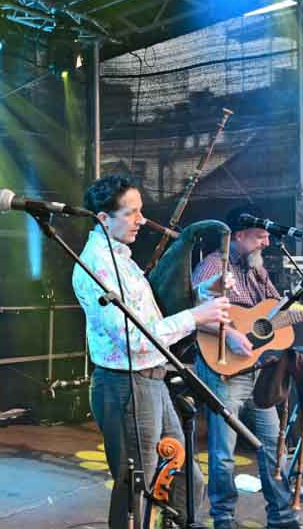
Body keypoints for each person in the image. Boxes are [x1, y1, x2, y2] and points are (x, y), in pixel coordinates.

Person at [72, 175, 231, 529]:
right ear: (103, 218)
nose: (142, 221)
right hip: (126, 386)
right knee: (135, 491)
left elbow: (152, 314)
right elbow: (135, 338)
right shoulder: (96, 264)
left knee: (185, 482)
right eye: (132, 213)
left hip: (152, 381)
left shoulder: (122, 260)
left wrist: (200, 295)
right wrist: (195, 316)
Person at [191, 205, 303, 529]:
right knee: (224, 453)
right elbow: (196, 312)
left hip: (260, 373)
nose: (266, 242)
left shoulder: (257, 270)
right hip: (223, 369)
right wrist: (233, 335)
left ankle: (280, 515)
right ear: (238, 235)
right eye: (260, 237)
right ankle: (223, 519)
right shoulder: (213, 266)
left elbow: (278, 313)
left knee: (271, 446)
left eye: (267, 237)